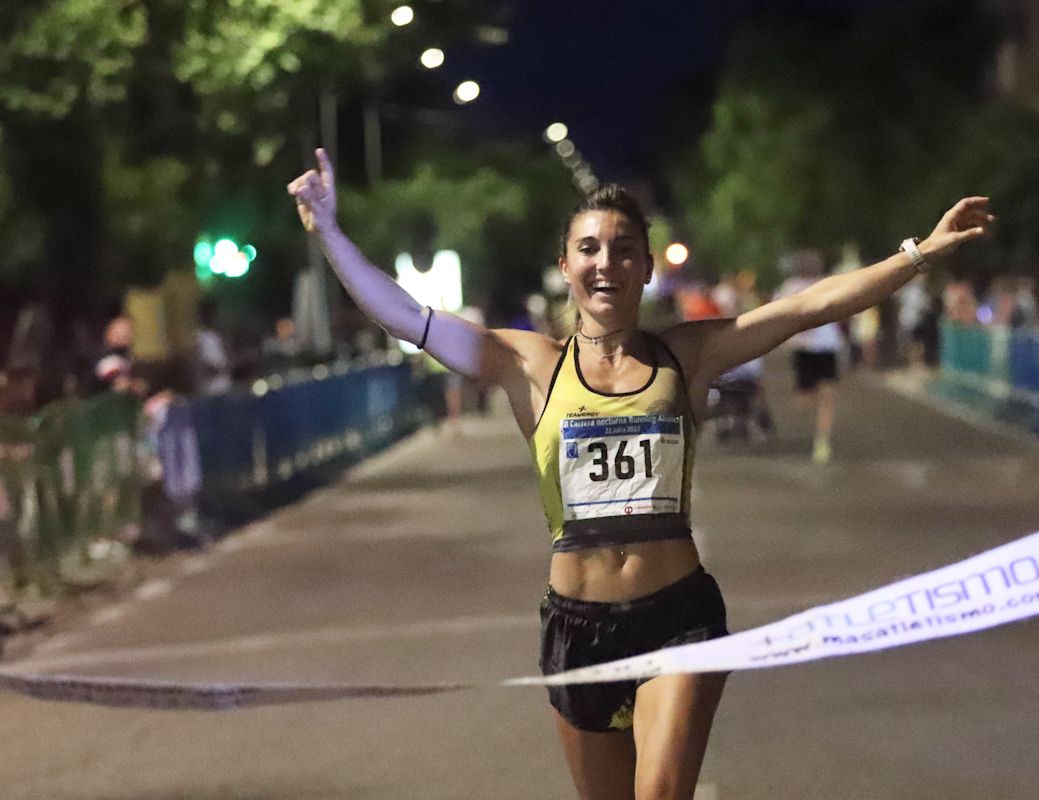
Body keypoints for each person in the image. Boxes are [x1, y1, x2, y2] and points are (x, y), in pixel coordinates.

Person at [288, 147, 992, 800]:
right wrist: (330, 235)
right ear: (565, 265)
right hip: (576, 626)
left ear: (647, 268)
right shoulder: (526, 364)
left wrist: (919, 253)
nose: (606, 263)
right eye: (588, 249)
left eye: (624, 250)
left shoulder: (689, 354)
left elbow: (808, 307)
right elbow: (406, 316)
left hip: (677, 619)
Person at [774, 250, 844, 464]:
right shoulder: (790, 287)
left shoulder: (829, 284)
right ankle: (818, 434)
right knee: (804, 400)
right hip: (804, 349)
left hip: (828, 347)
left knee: (828, 396)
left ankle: (822, 443)